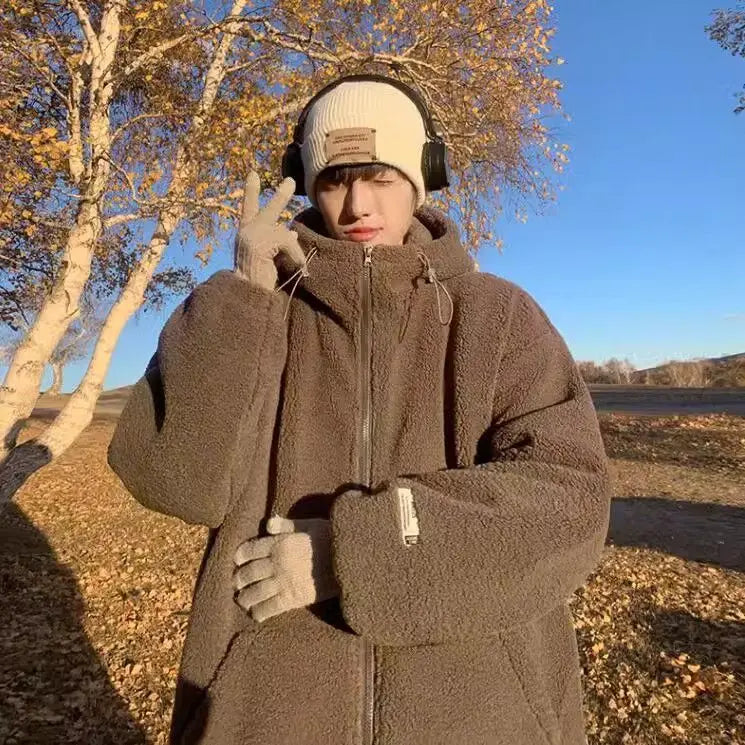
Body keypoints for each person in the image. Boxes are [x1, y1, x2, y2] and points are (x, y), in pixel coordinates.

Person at [108, 73, 611, 745]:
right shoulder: (256, 312)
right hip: (269, 714)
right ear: (307, 185)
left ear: (422, 179)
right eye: (334, 180)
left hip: (481, 714)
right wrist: (244, 294)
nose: (356, 205)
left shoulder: (498, 316)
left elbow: (570, 501)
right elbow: (174, 481)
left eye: (380, 177)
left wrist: (352, 553)